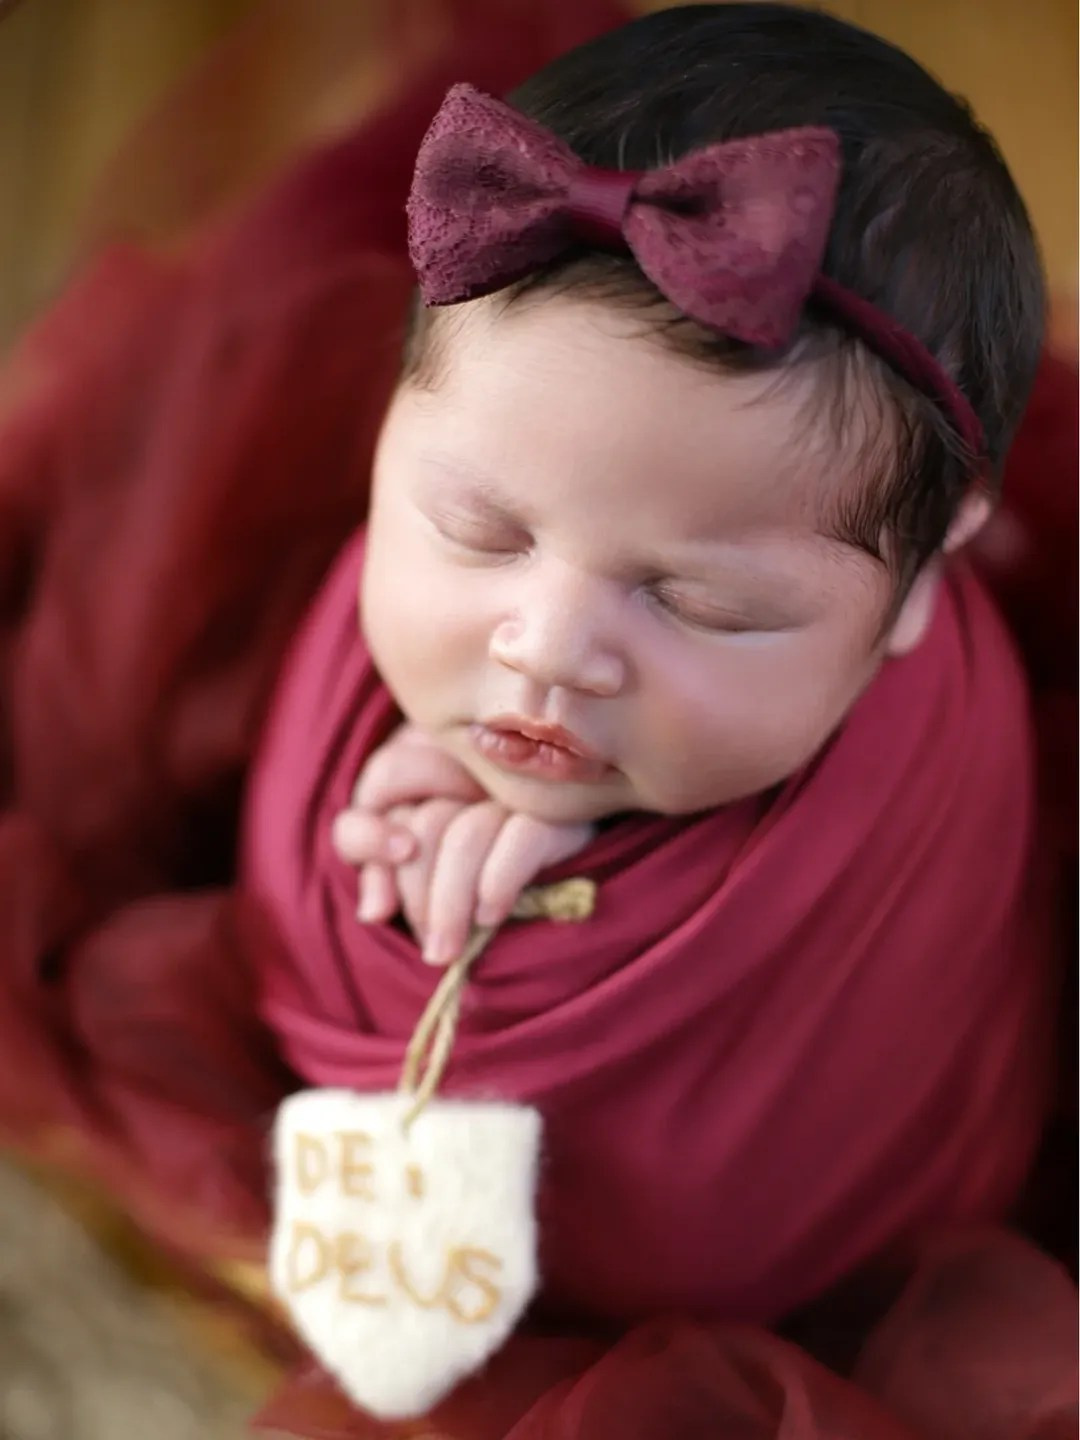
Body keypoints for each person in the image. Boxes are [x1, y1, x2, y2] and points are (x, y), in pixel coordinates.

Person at [239, 7, 1077, 1433]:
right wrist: (421, 761)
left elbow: (731, 1220)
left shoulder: (921, 789)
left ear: (924, 585)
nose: (547, 652)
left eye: (704, 605)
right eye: (479, 529)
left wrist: (557, 858)